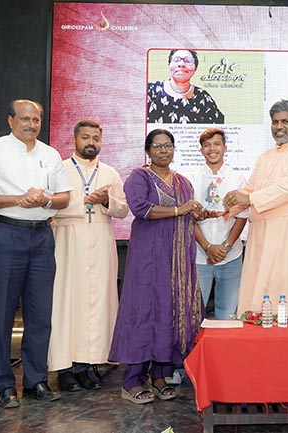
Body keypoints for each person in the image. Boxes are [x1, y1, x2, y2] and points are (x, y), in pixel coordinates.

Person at [0, 99, 72, 408]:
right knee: (1, 314)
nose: (31, 125)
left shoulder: (50, 154)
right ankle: (3, 385)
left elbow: (64, 197)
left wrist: (46, 200)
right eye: (25, 119)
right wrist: (18, 199)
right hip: (8, 234)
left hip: (42, 237)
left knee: (40, 315)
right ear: (11, 121)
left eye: (36, 120)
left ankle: (36, 380)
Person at [109, 129, 205, 405]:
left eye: (168, 146)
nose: (164, 150)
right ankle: (132, 380)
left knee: (169, 312)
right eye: (158, 146)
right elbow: (141, 209)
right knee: (144, 312)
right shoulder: (139, 177)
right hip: (148, 260)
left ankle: (160, 376)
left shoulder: (183, 182)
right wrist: (179, 210)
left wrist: (196, 212)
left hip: (176, 262)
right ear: (148, 150)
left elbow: (187, 218)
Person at [48, 120, 128, 392]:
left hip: (101, 244)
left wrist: (105, 201)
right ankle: (64, 369)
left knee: (95, 304)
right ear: (74, 139)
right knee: (67, 304)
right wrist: (84, 200)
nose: (91, 142)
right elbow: (50, 205)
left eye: (96, 138)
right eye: (86, 137)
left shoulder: (109, 173)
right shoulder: (60, 169)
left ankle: (85, 366)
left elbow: (123, 210)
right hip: (68, 243)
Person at [223, 100, 288, 318]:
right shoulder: (265, 157)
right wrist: (229, 206)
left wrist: (249, 197)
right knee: (258, 290)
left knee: (284, 287)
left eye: (285, 121)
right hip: (261, 233)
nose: (279, 127)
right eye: (275, 122)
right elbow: (251, 188)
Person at [187, 128, 247, 319]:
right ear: (201, 150)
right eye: (207, 145)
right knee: (194, 315)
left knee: (228, 316)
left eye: (217, 144)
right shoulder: (191, 179)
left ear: (225, 148)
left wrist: (225, 247)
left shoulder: (237, 178)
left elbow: (242, 216)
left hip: (231, 256)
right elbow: (188, 218)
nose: (212, 149)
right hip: (199, 256)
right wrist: (208, 247)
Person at [147, 49, 224, 124]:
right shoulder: (151, 91)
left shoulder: (203, 97)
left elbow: (217, 125)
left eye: (188, 61)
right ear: (169, 65)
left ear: (195, 69)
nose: (181, 64)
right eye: (176, 60)